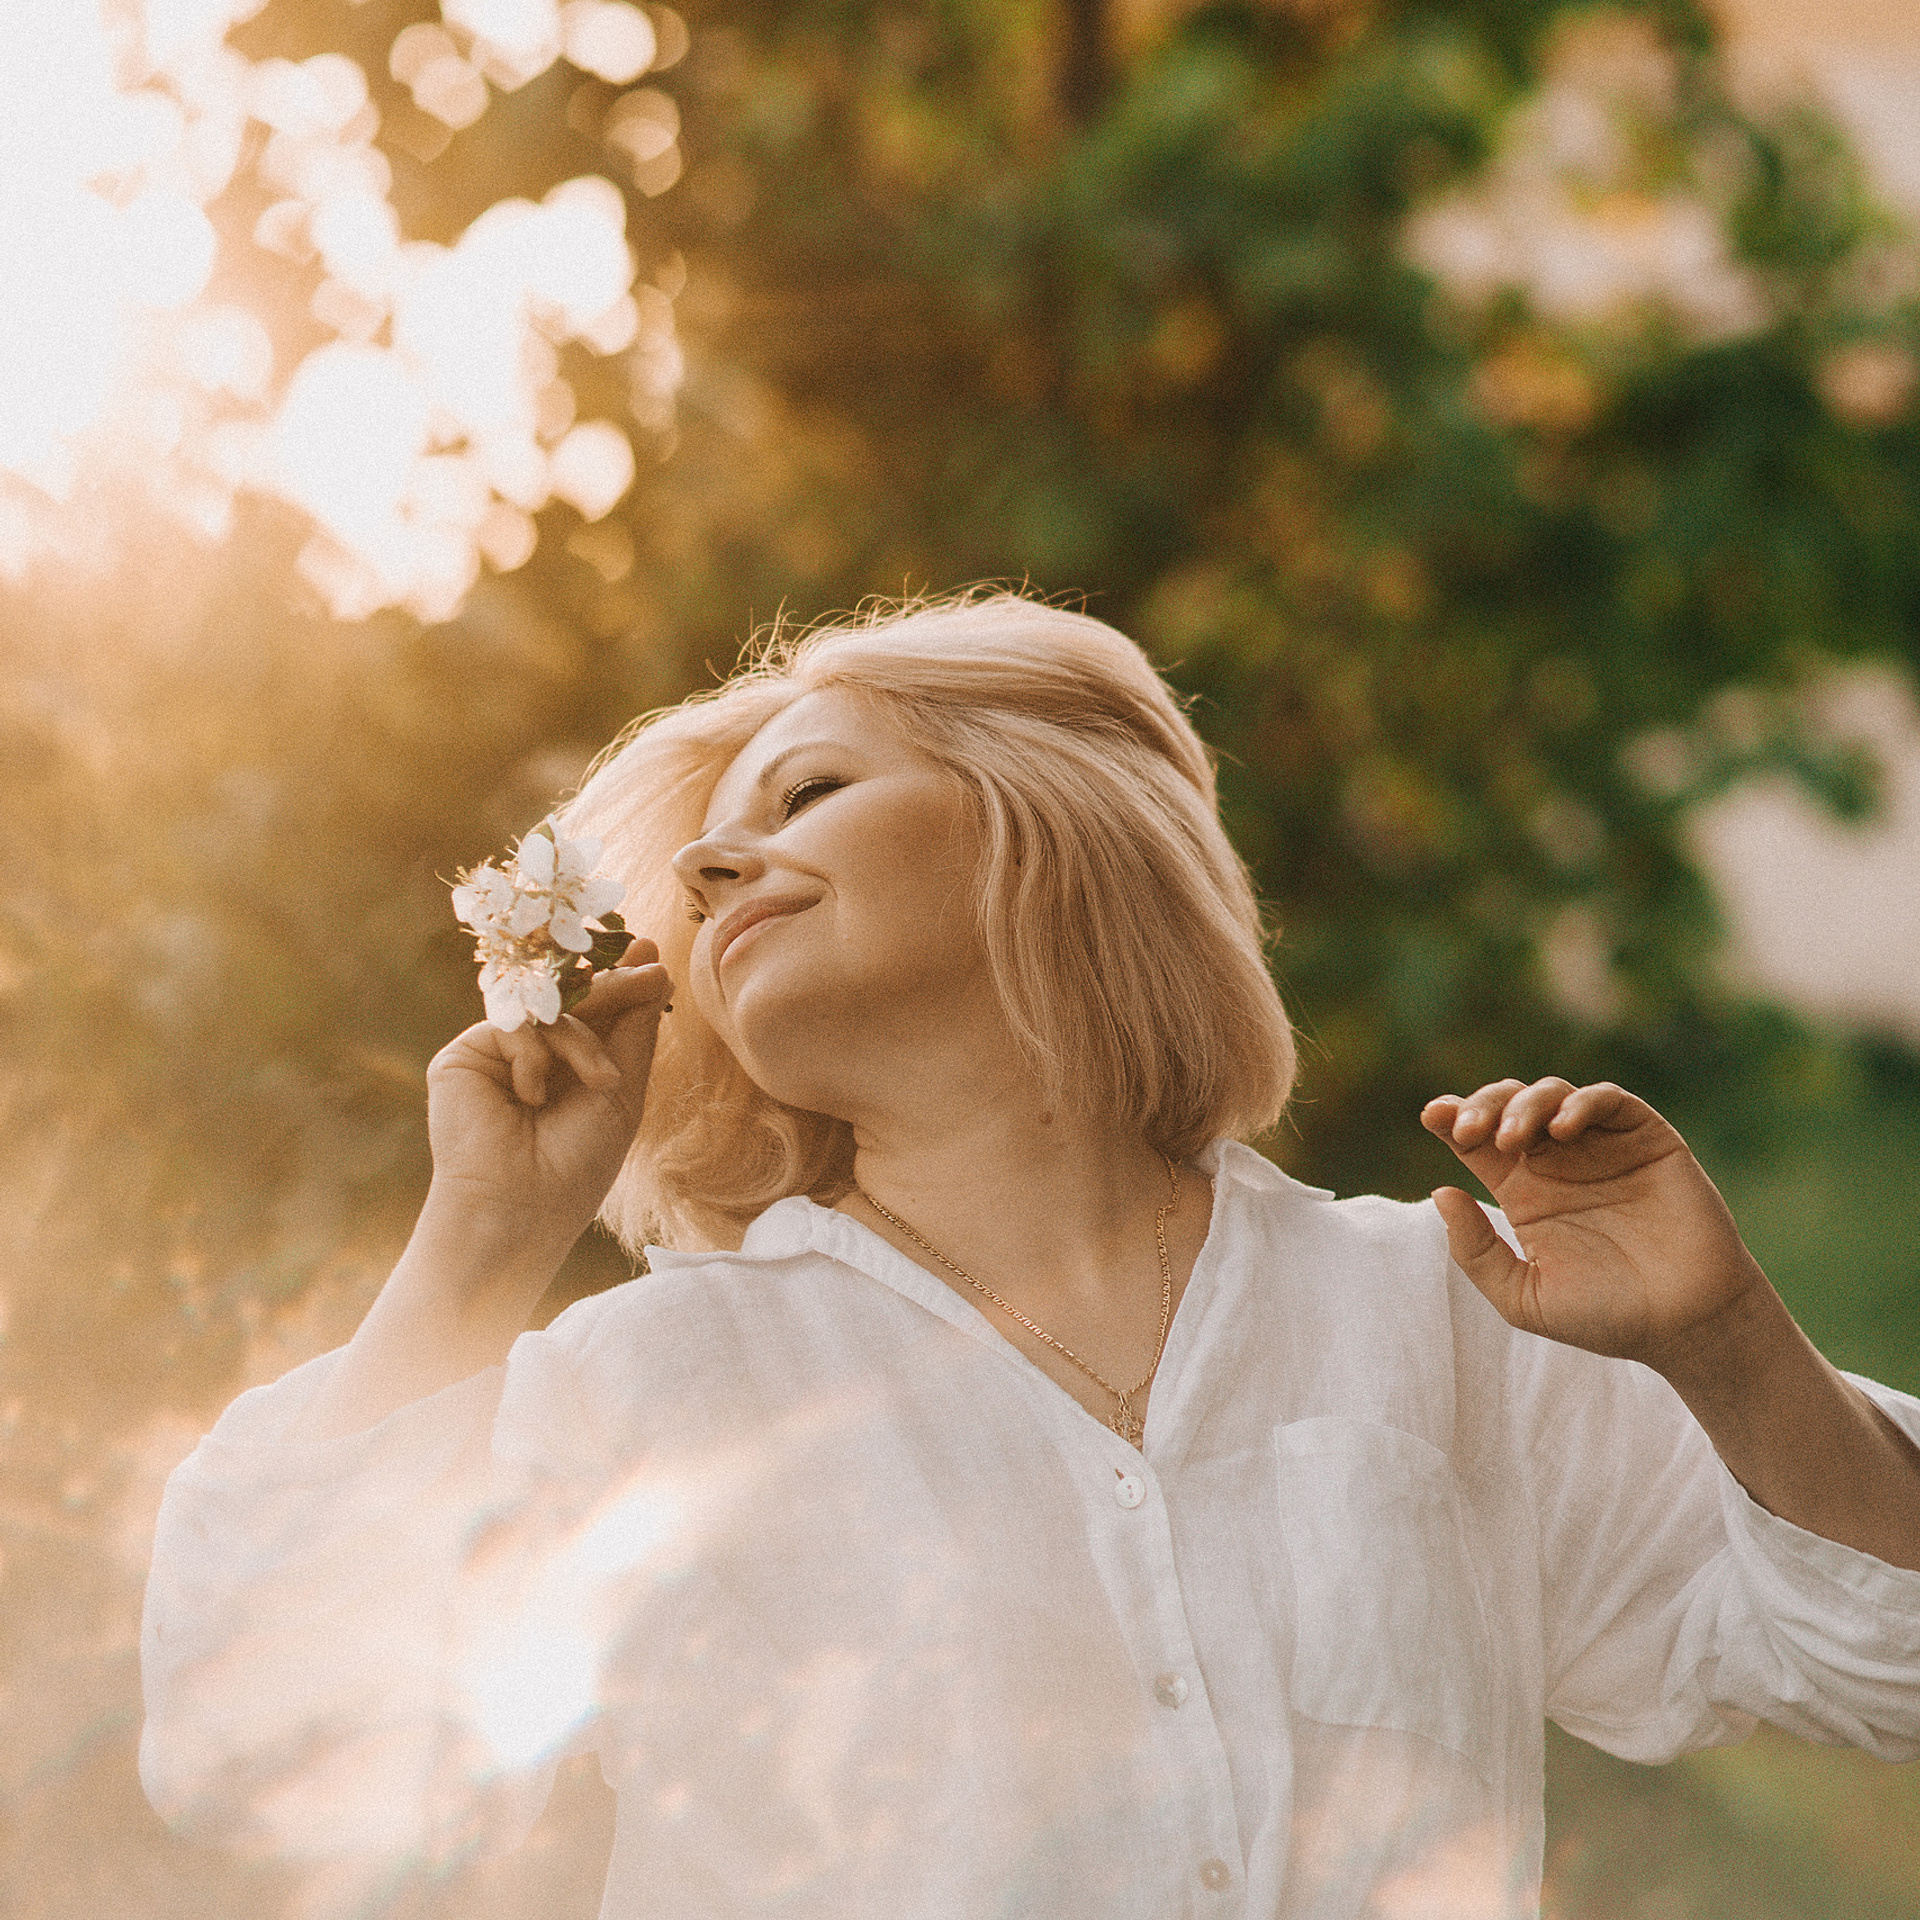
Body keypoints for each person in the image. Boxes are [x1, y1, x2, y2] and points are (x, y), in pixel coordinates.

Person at [141, 593, 1920, 1919]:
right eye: (704, 862)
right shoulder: (646, 1389)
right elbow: (253, 1749)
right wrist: (479, 1243)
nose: (718, 860)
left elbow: (1887, 1674)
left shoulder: (1438, 1315)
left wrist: (1730, 1344)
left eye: (811, 787)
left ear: (1045, 820)